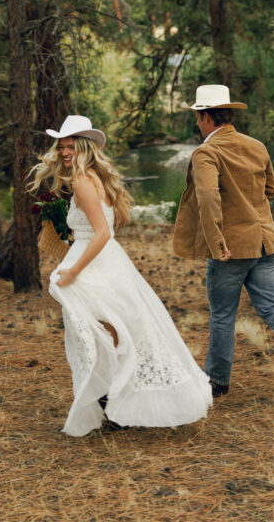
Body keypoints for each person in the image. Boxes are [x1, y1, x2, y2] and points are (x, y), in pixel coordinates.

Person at [29, 114, 213, 437]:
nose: (65, 153)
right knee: (108, 332)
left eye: (71, 146)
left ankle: (113, 403)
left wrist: (73, 269)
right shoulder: (93, 177)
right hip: (104, 261)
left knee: (100, 334)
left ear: (85, 147)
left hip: (94, 265)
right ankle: (113, 404)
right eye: (62, 147)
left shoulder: (85, 181)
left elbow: (101, 233)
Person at [173, 85, 274, 403]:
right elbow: (271, 190)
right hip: (266, 241)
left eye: (197, 117)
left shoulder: (207, 152)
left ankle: (216, 383)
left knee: (223, 313)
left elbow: (207, 196)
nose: (197, 124)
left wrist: (216, 241)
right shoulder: (256, 146)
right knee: (272, 306)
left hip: (231, 249)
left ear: (206, 117)